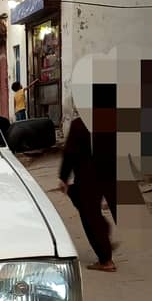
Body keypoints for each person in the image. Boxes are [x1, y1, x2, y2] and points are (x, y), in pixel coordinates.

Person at [57, 115, 116, 272]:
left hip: (88, 176)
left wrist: (63, 177)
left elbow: (69, 153)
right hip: (110, 173)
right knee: (84, 204)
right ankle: (103, 231)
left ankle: (105, 259)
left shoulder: (80, 124)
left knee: (90, 215)